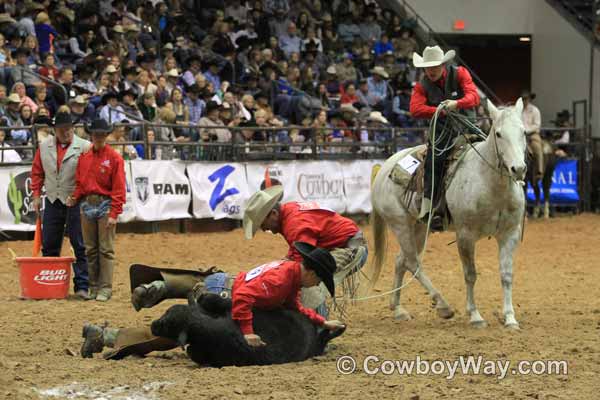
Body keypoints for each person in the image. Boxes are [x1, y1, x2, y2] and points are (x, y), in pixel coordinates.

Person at [80, 242, 345, 359]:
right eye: (319, 280)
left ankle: (162, 287)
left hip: (226, 286)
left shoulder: (288, 275)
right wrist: (249, 332)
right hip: (228, 294)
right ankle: (108, 336)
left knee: (187, 328)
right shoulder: (282, 280)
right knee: (183, 331)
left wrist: (322, 320)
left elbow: (293, 306)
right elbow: (243, 298)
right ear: (310, 271)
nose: (318, 285)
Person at [409, 46, 480, 222]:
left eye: (434, 66)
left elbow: (474, 97)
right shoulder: (422, 85)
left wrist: (457, 104)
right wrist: (439, 110)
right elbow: (415, 109)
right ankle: (429, 207)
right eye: (428, 67)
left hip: (468, 128)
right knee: (434, 161)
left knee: (498, 151)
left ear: (443, 65)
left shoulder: (460, 74)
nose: (431, 71)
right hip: (441, 133)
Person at [30, 109, 91, 299]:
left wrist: (78, 194)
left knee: (79, 243)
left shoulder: (84, 147)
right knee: (49, 242)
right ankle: (51, 285)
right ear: (55, 130)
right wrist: (36, 194)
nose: (66, 132)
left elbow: (88, 175)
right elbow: (37, 172)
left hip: (76, 200)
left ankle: (82, 285)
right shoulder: (44, 146)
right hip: (53, 198)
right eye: (62, 129)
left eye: (69, 128)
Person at [67, 119, 126, 302]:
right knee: (91, 249)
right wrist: (75, 197)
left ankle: (105, 288)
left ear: (106, 135)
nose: (99, 137)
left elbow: (119, 187)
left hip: (105, 204)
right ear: (91, 136)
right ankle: (94, 286)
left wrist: (114, 213)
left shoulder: (114, 158)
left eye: (101, 134)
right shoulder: (85, 158)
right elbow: (80, 183)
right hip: (87, 204)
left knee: (105, 249)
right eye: (96, 134)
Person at [521, 90, 543, 179]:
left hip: (533, 134)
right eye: (523, 99)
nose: (524, 100)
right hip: (521, 134)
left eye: (526, 99)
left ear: (529, 99)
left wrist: (527, 130)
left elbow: (537, 125)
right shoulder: (519, 110)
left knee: (537, 148)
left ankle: (539, 170)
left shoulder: (535, 110)